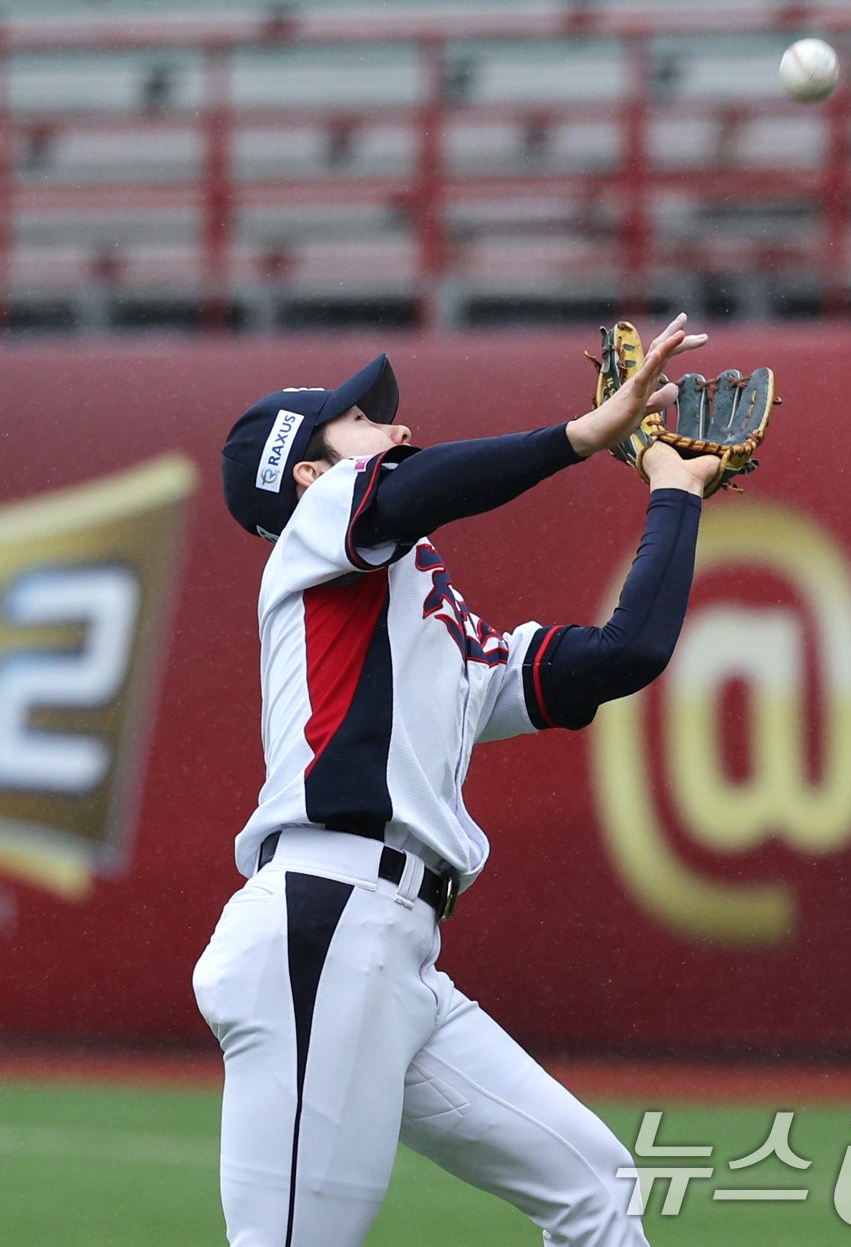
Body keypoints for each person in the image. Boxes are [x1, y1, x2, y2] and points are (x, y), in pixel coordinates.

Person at [195, 314, 720, 1247]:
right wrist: (582, 435)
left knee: (599, 1189)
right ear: (310, 475)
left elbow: (624, 653)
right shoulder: (313, 535)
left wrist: (674, 492)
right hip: (324, 922)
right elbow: (415, 492)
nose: (394, 429)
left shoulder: (429, 623)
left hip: (392, 951)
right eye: (360, 423)